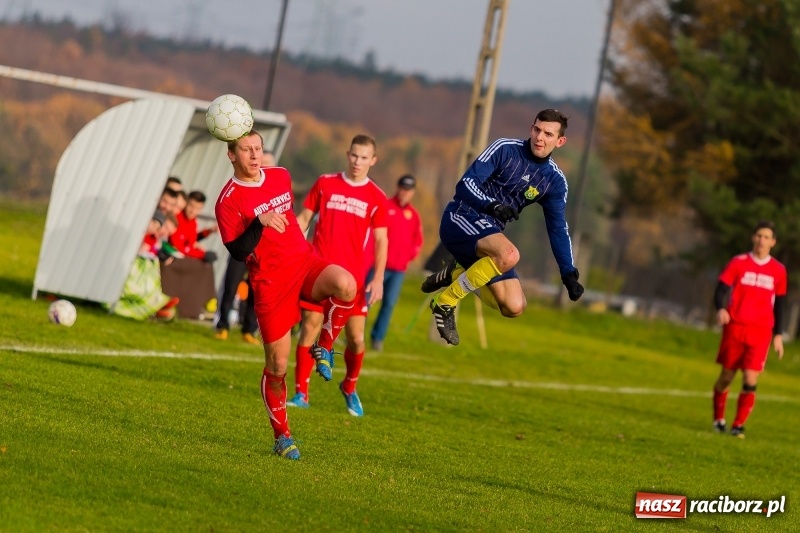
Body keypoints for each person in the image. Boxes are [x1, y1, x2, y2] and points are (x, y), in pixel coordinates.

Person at [215, 129, 357, 460]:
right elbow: (238, 252)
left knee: (346, 284)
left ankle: (324, 346)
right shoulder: (228, 200)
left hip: (304, 263)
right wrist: (259, 223)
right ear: (231, 155)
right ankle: (282, 437)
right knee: (278, 365)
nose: (254, 155)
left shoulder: (280, 176)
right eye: (246, 150)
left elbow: (292, 222)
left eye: (258, 148)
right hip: (270, 283)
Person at [422, 108, 584, 345]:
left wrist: (568, 272)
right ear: (531, 128)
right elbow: (465, 184)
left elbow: (558, 228)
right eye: (537, 130)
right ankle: (445, 302)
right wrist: (491, 205)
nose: (540, 137)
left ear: (560, 141)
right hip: (461, 217)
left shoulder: (554, 181)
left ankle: (456, 273)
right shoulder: (505, 149)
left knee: (514, 306)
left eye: (548, 134)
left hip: (490, 236)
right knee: (509, 254)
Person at [287, 134, 388, 417]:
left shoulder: (376, 196)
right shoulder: (325, 183)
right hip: (319, 272)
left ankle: (349, 386)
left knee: (356, 338)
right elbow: (304, 219)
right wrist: (290, 251)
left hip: (353, 281)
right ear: (347, 154)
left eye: (364, 157)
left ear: (373, 160)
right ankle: (301, 393)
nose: (357, 161)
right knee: (310, 327)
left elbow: (381, 240)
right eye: (354, 155)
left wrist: (378, 277)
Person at [711, 220, 787, 439]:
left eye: (766, 237)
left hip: (761, 331)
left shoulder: (779, 270)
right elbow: (721, 289)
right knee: (727, 376)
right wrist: (720, 308)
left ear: (773, 242)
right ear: (753, 238)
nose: (762, 240)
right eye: (759, 236)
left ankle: (738, 425)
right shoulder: (738, 262)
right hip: (735, 327)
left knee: (750, 377)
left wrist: (778, 334)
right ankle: (719, 419)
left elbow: (780, 303)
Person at [215, 151, 276, 346]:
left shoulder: (275, 188)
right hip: (243, 246)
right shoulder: (242, 188)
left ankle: (249, 329)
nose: (264, 166)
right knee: (231, 285)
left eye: (268, 164)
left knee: (257, 290)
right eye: (262, 163)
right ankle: (222, 325)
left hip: (264, 250)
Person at [367, 174, 423, 351]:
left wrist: (408, 256)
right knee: (366, 301)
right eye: (403, 188)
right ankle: (354, 334)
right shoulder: (385, 206)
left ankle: (377, 338)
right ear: (398, 188)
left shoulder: (414, 215)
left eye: (409, 190)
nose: (405, 193)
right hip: (378, 266)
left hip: (399, 270)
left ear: (413, 192)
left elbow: (418, 240)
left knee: (389, 303)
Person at [170, 190, 218, 262]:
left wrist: (209, 231)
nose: (193, 211)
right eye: (191, 206)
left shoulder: (193, 222)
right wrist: (202, 255)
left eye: (198, 208)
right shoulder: (177, 217)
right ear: (186, 203)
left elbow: (192, 241)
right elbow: (178, 247)